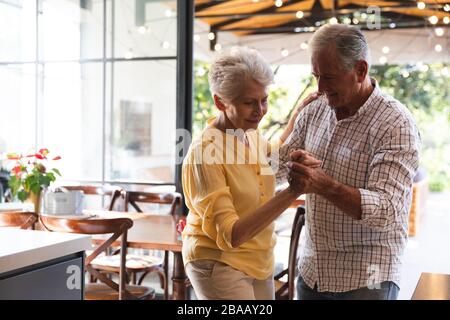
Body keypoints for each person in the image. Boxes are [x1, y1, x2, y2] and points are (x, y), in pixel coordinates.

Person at [277, 24, 421, 300]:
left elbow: (387, 210)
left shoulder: (395, 123)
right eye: (315, 76)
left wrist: (323, 185)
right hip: (313, 273)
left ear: (361, 70)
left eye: (328, 76)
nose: (319, 87)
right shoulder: (315, 109)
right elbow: (275, 170)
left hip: (367, 279)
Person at [181, 47, 320, 300]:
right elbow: (230, 235)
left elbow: (271, 160)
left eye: (264, 99)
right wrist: (292, 192)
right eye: (249, 103)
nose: (260, 110)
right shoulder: (205, 153)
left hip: (259, 258)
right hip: (218, 262)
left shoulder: (250, 134)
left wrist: (296, 118)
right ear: (220, 102)